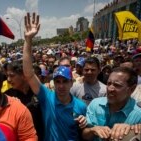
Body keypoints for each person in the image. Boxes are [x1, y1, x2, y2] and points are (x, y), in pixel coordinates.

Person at [23, 12, 87, 141]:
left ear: (72, 82)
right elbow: (29, 74)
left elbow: (85, 134)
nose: (61, 85)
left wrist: (85, 124)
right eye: (57, 81)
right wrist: (28, 40)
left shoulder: (81, 107)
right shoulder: (46, 97)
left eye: (65, 81)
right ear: (54, 83)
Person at [82, 67, 141, 141]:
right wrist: (92, 130)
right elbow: (84, 135)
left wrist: (131, 131)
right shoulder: (95, 104)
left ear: (132, 89)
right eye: (109, 83)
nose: (110, 89)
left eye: (117, 85)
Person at [5, 60, 44, 140]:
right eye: (7, 76)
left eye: (12, 76)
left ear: (23, 75)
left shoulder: (38, 92)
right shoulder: (7, 97)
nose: (8, 80)